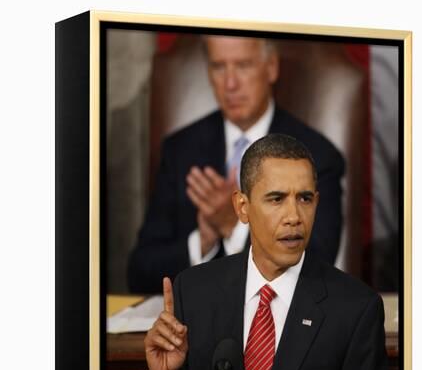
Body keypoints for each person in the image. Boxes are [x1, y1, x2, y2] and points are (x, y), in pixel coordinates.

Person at [123, 134, 390, 370]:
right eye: (276, 199)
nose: (294, 216)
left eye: (305, 198)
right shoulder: (195, 292)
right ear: (242, 207)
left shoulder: (355, 309)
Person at [127, 36, 345, 294]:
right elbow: (140, 272)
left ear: (271, 67)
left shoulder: (316, 155)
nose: (230, 84)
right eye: (219, 67)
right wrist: (204, 239)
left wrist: (236, 224)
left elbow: (318, 263)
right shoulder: (180, 150)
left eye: (243, 66)